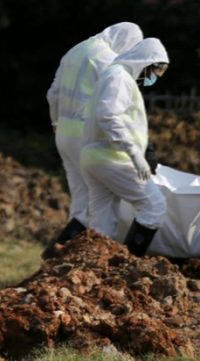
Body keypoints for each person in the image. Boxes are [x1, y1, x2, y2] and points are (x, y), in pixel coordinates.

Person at [43, 22, 143, 259]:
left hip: (64, 134)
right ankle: (67, 256)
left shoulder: (75, 51)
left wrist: (56, 123)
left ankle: (64, 260)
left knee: (81, 201)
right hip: (87, 138)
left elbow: (52, 94)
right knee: (99, 202)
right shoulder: (108, 59)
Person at [80, 37, 170, 257]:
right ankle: (127, 266)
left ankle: (94, 271)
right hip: (114, 158)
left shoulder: (115, 75)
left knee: (101, 225)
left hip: (97, 157)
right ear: (145, 62)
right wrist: (134, 154)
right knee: (154, 206)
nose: (154, 77)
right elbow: (108, 116)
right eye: (155, 70)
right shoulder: (120, 77)